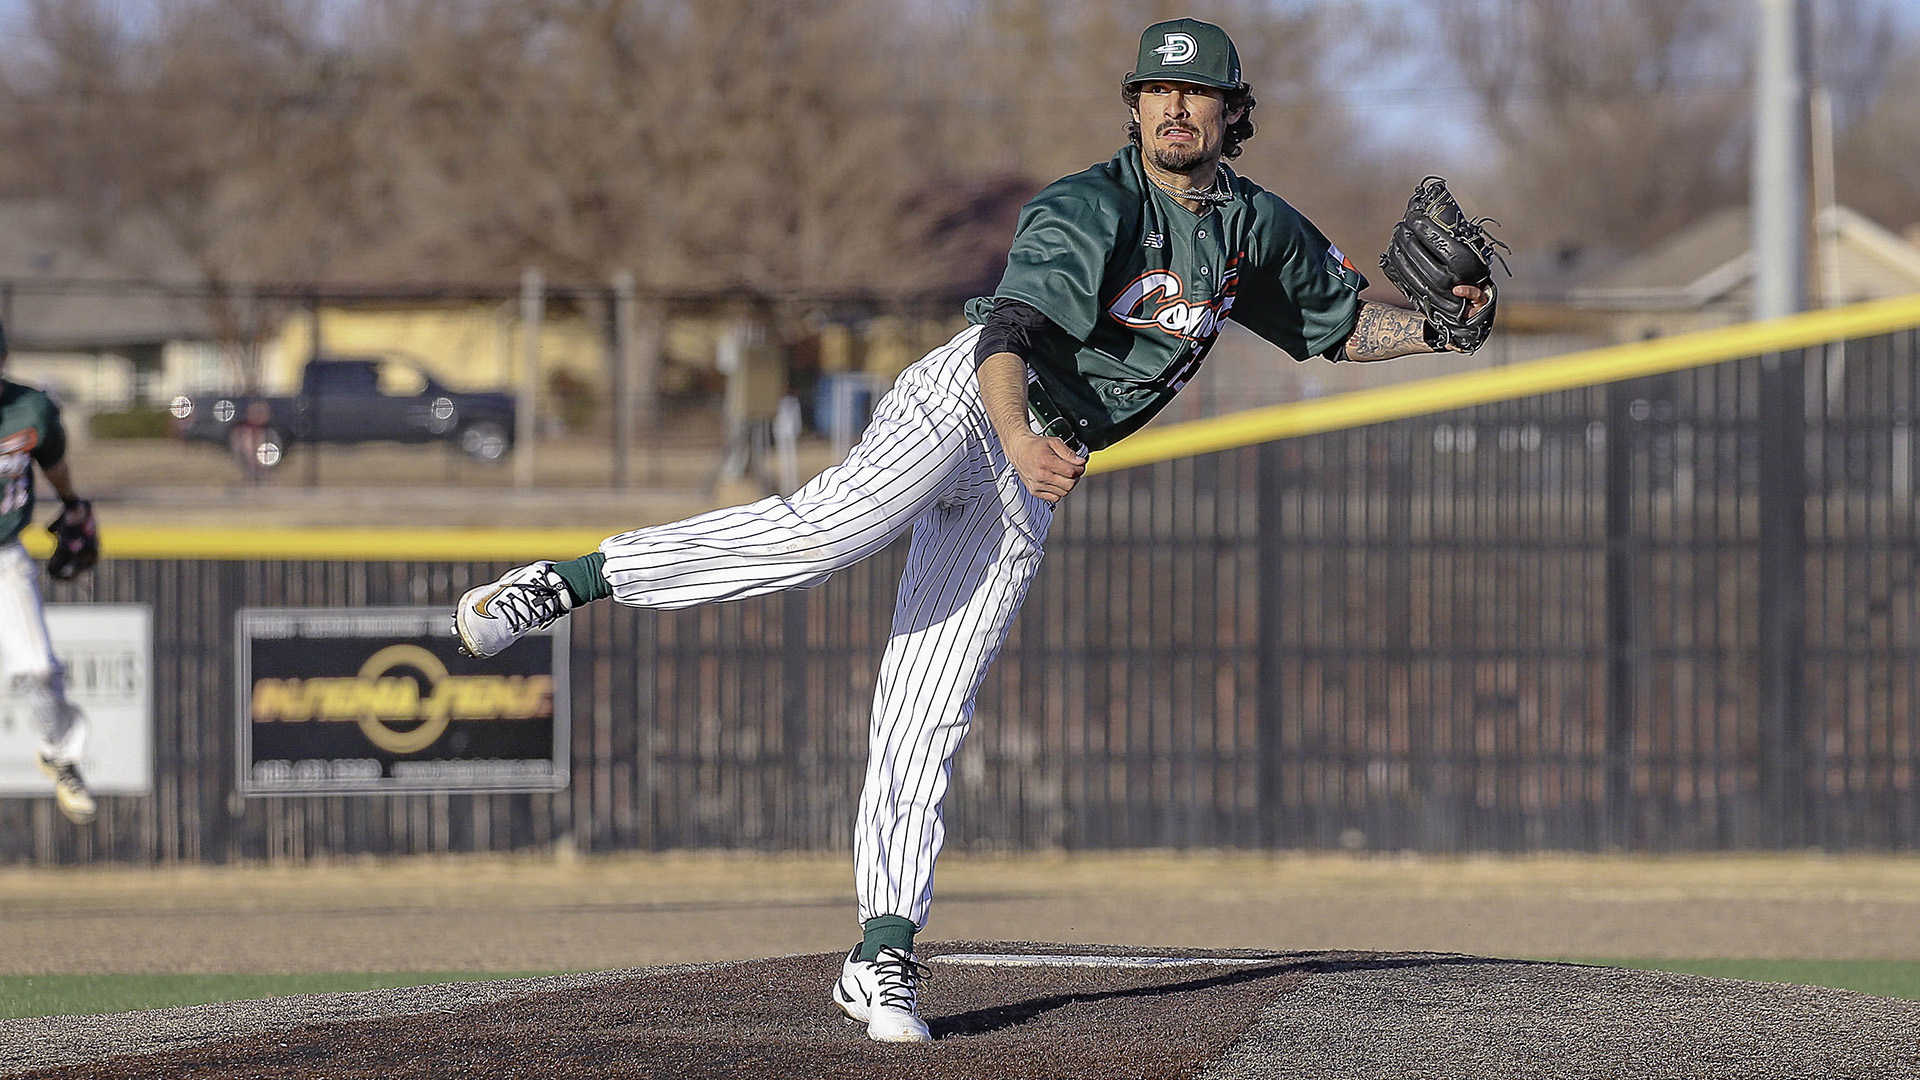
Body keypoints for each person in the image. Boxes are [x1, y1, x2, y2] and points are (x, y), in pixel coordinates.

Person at [454, 18, 1489, 1043]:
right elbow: (1008, 332)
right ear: (1135, 107)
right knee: (827, 534)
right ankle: (565, 583)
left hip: (1040, 458)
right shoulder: (1092, 205)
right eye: (1156, 91)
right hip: (973, 403)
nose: (1174, 108)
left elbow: (1339, 325)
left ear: (1231, 111)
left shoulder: (1255, 227)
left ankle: (881, 952)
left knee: (932, 700)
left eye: (1196, 93)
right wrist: (1018, 438)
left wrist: (1442, 330)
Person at [0, 319, 99, 825]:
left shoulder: (30, 409)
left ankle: (60, 754)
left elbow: (53, 461)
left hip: (3, 555)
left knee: (39, 670)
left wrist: (72, 504)